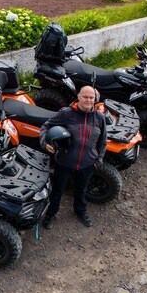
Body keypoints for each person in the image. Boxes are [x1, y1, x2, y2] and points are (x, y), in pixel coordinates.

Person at [39, 85, 108, 228]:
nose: (88, 100)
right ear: (78, 97)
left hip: (87, 164)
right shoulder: (66, 113)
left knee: (81, 190)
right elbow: (46, 126)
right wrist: (45, 142)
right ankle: (50, 215)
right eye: (85, 97)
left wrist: (99, 159)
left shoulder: (99, 117)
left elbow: (103, 140)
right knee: (57, 191)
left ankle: (80, 212)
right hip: (64, 162)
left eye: (91, 97)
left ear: (95, 99)